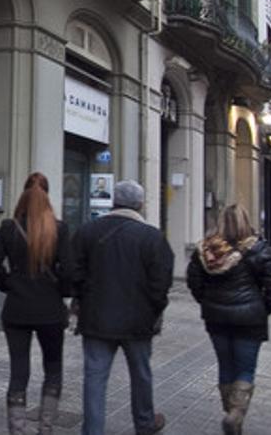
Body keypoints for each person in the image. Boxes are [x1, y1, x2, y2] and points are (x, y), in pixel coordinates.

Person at [71, 180, 173, 435]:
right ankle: (145, 422)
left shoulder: (87, 231)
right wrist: (154, 308)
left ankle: (93, 430)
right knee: (141, 374)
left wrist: (83, 298)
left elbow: (72, 273)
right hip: (138, 320)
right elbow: (161, 282)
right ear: (140, 204)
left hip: (96, 318)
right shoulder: (152, 237)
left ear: (112, 201)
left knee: (95, 378)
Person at [186, 205, 271, 435]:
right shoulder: (258, 249)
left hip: (216, 318)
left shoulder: (206, 250)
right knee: (245, 369)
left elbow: (194, 282)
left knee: (226, 366)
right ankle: (236, 414)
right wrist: (264, 309)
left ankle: (230, 413)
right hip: (250, 320)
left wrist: (207, 302)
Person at [0, 173, 72, 435]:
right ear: (47, 196)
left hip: (17, 308)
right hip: (50, 310)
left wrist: (8, 283)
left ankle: (18, 430)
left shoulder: (8, 227)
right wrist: (61, 290)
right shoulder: (59, 229)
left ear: (23, 195)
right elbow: (70, 271)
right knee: (53, 367)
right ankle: (45, 428)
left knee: (18, 370)